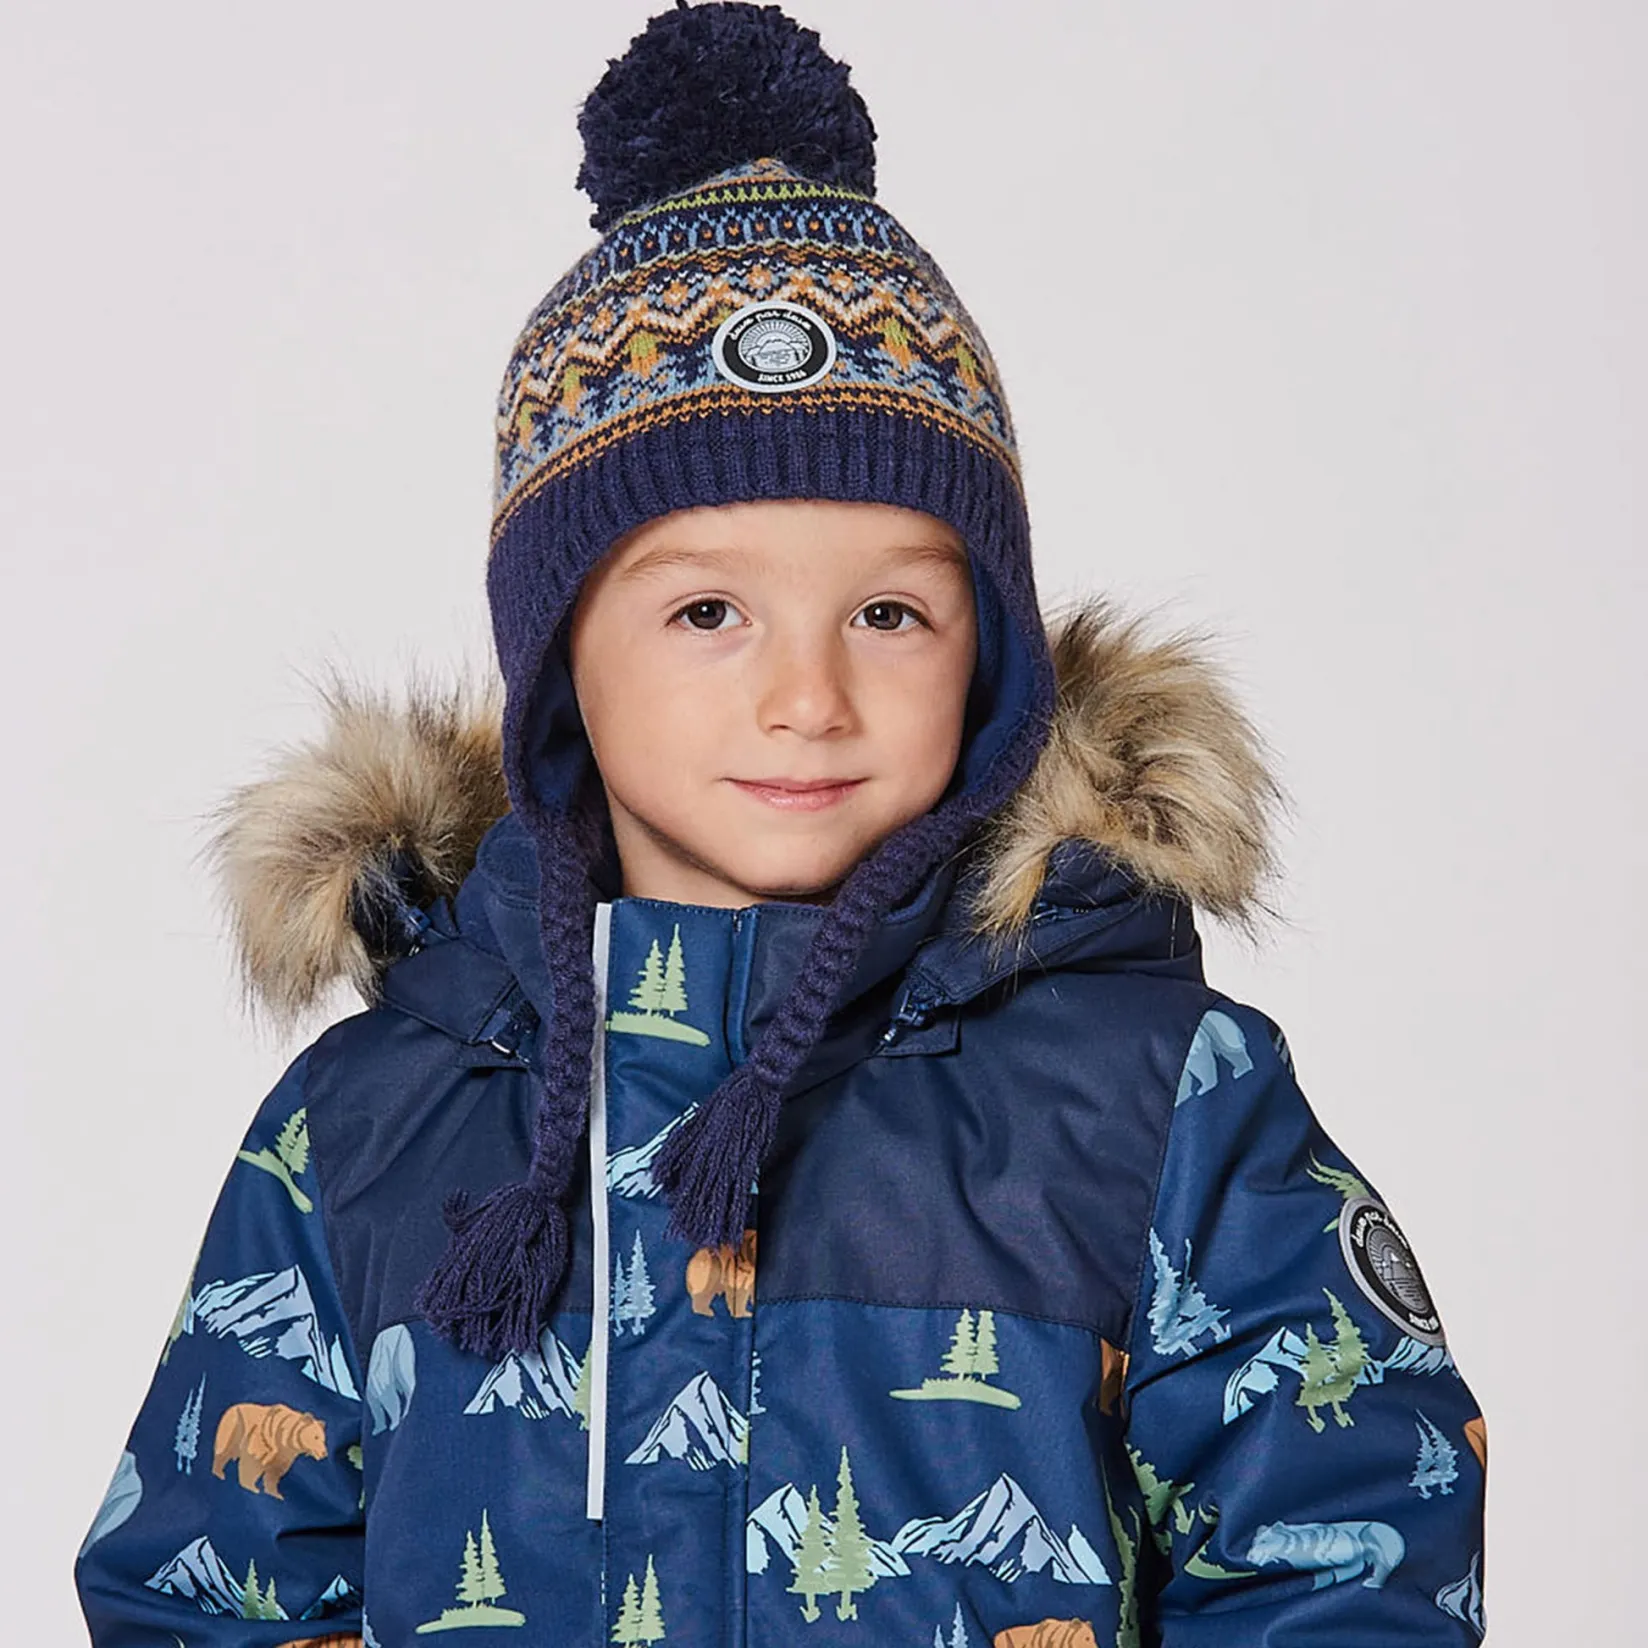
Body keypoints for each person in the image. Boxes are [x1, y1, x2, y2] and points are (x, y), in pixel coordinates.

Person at [73, 4, 1487, 1644]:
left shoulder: (1158, 1102)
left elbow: (1351, 1547)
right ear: (559, 664)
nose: (807, 696)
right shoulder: (372, 1124)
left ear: (990, 657)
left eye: (890, 615)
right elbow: (204, 1591)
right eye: (707, 614)